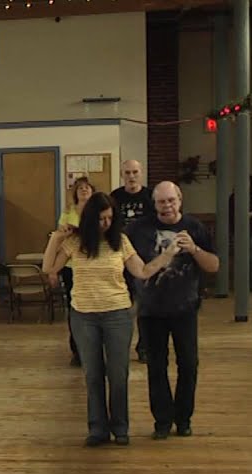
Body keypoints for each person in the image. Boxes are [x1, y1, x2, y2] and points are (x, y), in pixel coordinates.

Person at [43, 192, 178, 447]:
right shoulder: (76, 242)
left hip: (117, 314)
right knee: (93, 374)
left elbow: (142, 270)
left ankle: (120, 427)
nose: (105, 223)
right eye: (101, 218)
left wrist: (167, 255)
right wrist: (57, 237)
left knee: (118, 374)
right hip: (84, 316)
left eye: (109, 218)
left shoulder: (121, 242)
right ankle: (97, 429)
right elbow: (49, 268)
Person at [128, 182, 220, 440]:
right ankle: (162, 421)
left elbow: (213, 265)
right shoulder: (138, 229)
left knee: (188, 365)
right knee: (156, 367)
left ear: (180, 200)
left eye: (171, 201)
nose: (167, 206)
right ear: (154, 204)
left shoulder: (195, 228)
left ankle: (184, 418)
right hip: (150, 310)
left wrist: (194, 250)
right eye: (161, 202)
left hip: (185, 309)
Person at [111, 160, 152, 363]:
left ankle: (144, 347)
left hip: (143, 257)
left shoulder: (149, 197)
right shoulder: (115, 197)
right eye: (127, 172)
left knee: (144, 306)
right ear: (122, 174)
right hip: (120, 258)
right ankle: (119, 347)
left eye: (135, 172)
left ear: (141, 173)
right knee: (122, 307)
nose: (131, 176)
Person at [54, 177, 94, 366]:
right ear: (75, 193)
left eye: (87, 188)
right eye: (80, 189)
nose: (84, 191)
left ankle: (94, 349)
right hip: (71, 266)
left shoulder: (98, 212)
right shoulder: (68, 213)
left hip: (92, 265)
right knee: (74, 308)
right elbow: (61, 237)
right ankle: (77, 350)